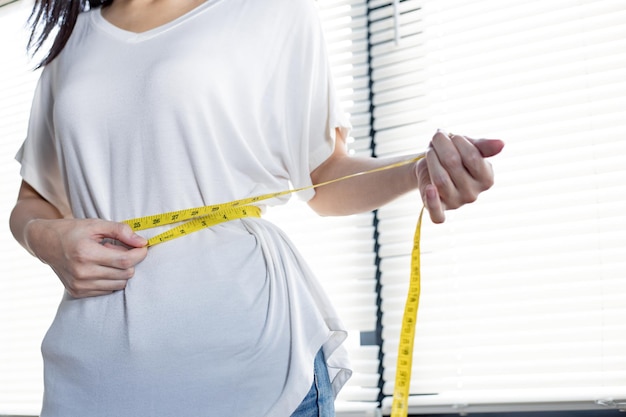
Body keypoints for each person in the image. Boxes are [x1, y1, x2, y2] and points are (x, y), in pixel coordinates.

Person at [9, 0, 504, 416]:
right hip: (93, 365)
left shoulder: (270, 10)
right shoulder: (72, 40)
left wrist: (417, 171)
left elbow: (324, 178)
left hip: (249, 352)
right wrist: (46, 239)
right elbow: (36, 199)